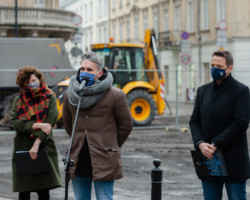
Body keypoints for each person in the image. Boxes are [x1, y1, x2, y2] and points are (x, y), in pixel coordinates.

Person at [63, 51, 133, 200]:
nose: (84, 73)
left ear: (99, 73)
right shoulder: (71, 95)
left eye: (89, 70)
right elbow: (68, 125)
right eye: (83, 69)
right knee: (80, 198)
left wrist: (110, 144)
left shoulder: (116, 95)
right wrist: (79, 140)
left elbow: (126, 125)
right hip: (78, 157)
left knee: (104, 198)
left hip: (104, 158)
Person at [189, 50, 250, 200]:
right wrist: (200, 143)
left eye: (219, 66)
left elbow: (240, 123)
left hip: (233, 159)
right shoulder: (203, 91)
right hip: (209, 157)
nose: (215, 68)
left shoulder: (241, 91)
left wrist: (216, 143)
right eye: (212, 65)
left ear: (229, 68)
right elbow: (194, 121)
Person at [10, 66, 62, 200]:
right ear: (23, 84)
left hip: (44, 146)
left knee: (43, 191)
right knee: (24, 192)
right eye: (27, 82)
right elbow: (15, 123)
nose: (31, 83)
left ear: (39, 79)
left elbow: (49, 124)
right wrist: (38, 124)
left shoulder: (49, 97)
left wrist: (36, 144)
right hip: (23, 147)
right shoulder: (18, 100)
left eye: (33, 80)